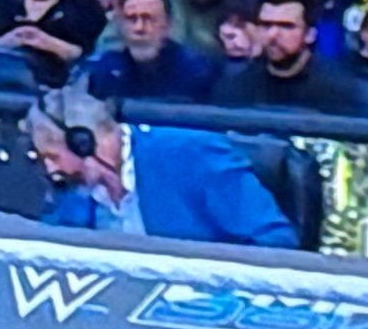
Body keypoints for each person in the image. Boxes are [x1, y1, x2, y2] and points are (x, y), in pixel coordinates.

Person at [28, 87, 300, 248]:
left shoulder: (194, 155)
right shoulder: (72, 191)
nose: (51, 169)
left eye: (54, 156)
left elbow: (275, 241)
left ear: (83, 143)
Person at [210, 0, 368, 118]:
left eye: (286, 26)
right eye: (266, 25)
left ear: (310, 34)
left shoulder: (349, 91)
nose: (273, 35)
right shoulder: (234, 88)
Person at [81, 0, 217, 101]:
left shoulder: (197, 70)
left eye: (148, 19)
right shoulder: (104, 70)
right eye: (132, 19)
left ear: (167, 25)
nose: (139, 28)